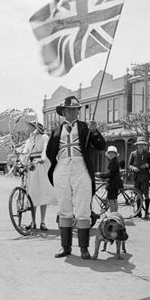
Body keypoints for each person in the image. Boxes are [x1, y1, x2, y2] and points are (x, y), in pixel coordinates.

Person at [46, 95, 106, 259]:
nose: (72, 113)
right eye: (69, 110)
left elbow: (101, 146)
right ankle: (65, 247)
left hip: (81, 168)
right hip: (62, 167)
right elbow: (49, 152)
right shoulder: (56, 130)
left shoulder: (86, 127)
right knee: (64, 207)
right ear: (63, 112)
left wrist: (95, 132)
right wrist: (58, 165)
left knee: (83, 207)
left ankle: (84, 249)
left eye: (75, 110)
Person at [21, 120, 56, 230]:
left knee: (42, 194)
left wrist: (43, 158)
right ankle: (33, 222)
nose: (29, 128)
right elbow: (25, 151)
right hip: (31, 166)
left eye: (31, 126)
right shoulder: (30, 139)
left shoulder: (44, 137)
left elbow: (45, 149)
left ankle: (42, 222)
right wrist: (22, 161)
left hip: (41, 166)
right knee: (33, 194)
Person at [128, 136, 150, 219]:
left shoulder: (148, 154)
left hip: (145, 176)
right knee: (138, 194)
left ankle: (146, 212)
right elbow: (129, 165)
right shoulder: (133, 153)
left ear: (144, 145)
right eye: (139, 144)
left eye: (142, 144)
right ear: (137, 145)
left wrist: (147, 165)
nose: (141, 146)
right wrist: (133, 168)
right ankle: (138, 212)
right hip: (136, 176)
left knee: (146, 194)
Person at [96, 145, 122, 213]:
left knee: (111, 200)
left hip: (112, 183)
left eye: (112, 153)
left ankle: (113, 214)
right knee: (114, 199)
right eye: (110, 153)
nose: (111, 154)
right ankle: (115, 213)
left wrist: (100, 175)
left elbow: (110, 174)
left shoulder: (113, 162)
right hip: (115, 183)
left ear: (115, 154)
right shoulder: (114, 161)